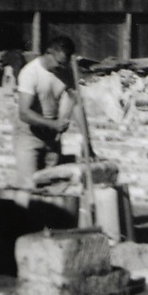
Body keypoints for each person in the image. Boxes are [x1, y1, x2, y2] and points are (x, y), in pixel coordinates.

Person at [13, 35, 95, 189]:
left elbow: (77, 105)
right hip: (29, 135)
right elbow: (23, 113)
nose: (62, 67)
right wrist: (54, 124)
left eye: (65, 64)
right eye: (59, 63)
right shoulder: (30, 73)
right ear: (49, 53)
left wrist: (87, 142)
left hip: (52, 137)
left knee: (52, 188)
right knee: (28, 188)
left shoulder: (66, 73)